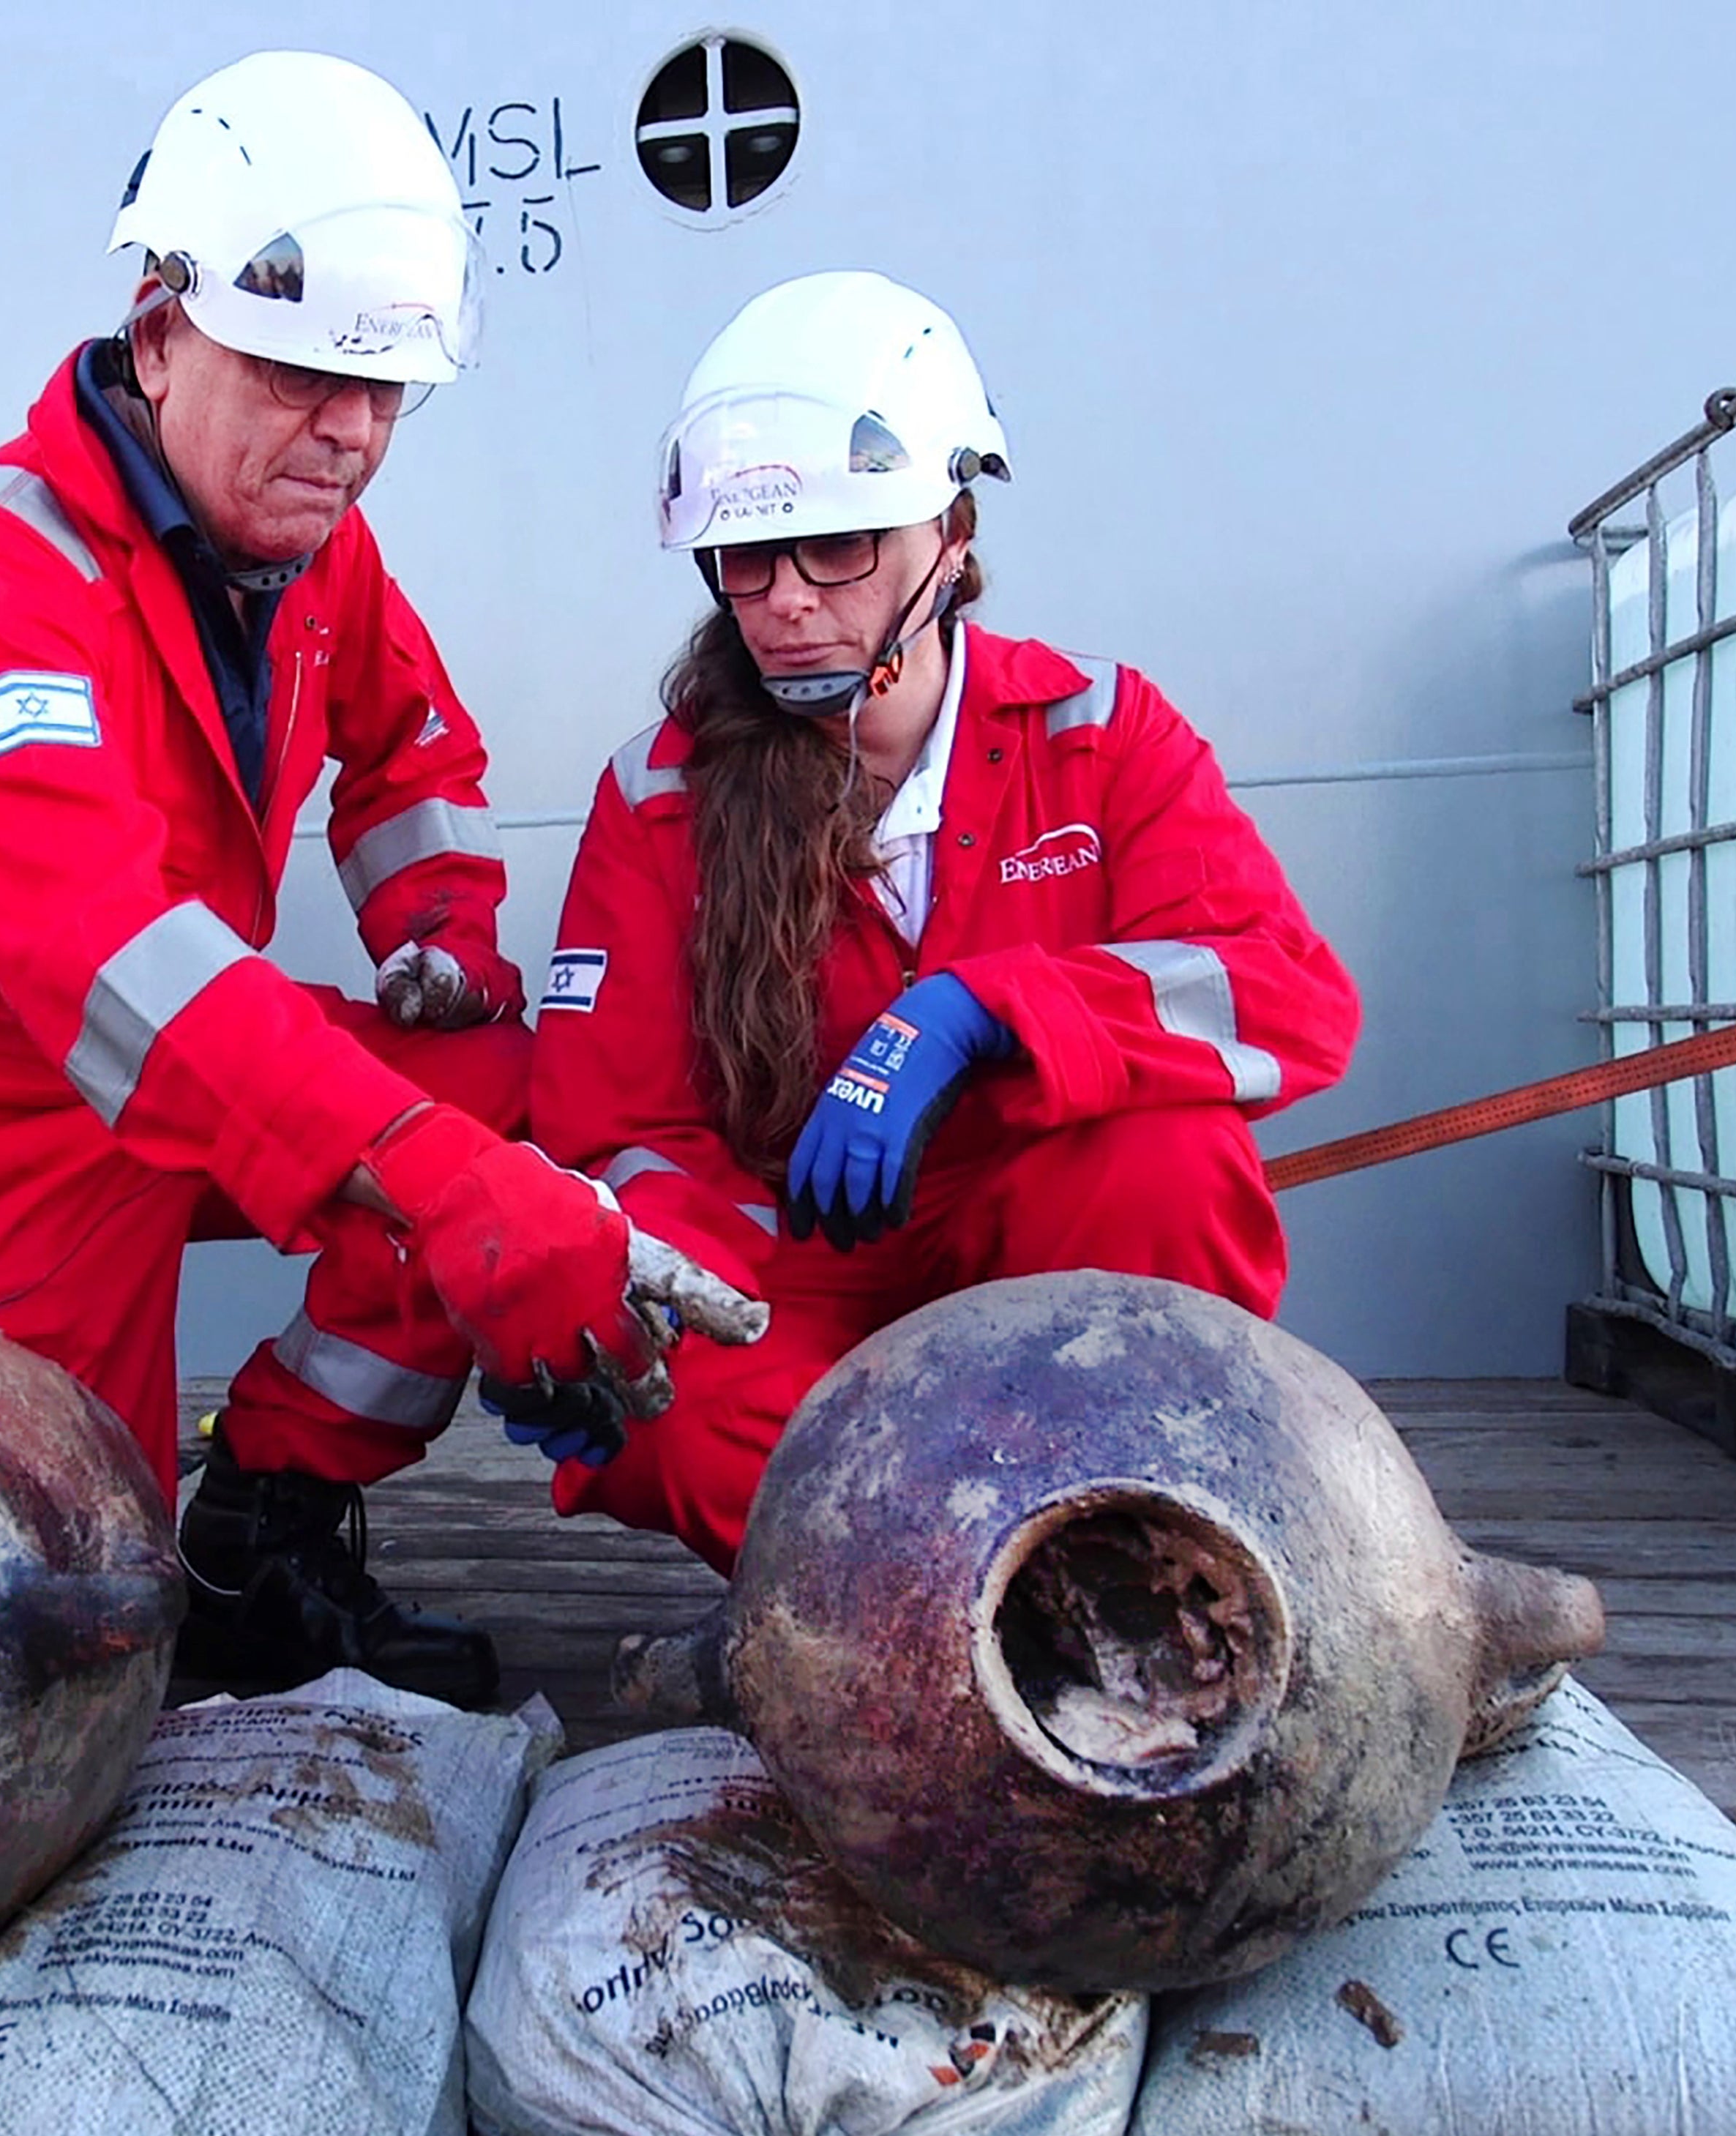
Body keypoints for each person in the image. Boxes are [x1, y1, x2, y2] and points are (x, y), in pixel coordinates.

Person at [0, 51, 680, 1709]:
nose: (351, 435)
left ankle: (265, 1522)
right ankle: (140, 1563)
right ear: (160, 329)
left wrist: (442, 937)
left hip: (194, 1065)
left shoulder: (308, 540)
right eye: (300, 376)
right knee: (74, 1620)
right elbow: (110, 962)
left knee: (498, 1085)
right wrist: (441, 1183)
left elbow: (411, 748)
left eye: (385, 390)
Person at [509, 270, 1363, 1572]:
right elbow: (612, 1129)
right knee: (667, 1416)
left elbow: (1284, 995)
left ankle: (1086, 1541)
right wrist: (662, 1289)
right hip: (795, 1276)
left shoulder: (1099, 732)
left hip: (1043, 1251)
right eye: (748, 558)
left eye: (840, 545)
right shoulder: (660, 795)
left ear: (952, 535)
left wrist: (982, 1013)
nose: (787, 599)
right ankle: (1003, 1588)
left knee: (1171, 1160)